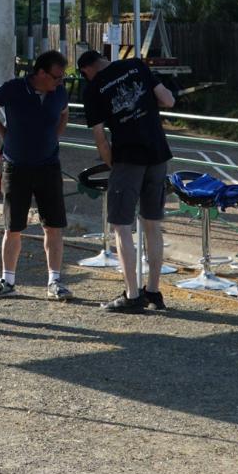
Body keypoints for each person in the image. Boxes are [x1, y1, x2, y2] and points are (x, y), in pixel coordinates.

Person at [77, 49, 176, 313]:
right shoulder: (136, 65)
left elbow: (100, 137)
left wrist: (111, 162)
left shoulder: (94, 88)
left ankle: (132, 295)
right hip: (157, 153)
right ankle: (154, 291)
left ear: (88, 69)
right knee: (153, 225)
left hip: (128, 158)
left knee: (121, 226)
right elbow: (168, 100)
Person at [0, 50, 73, 301]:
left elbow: (64, 113)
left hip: (49, 166)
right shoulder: (14, 88)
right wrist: (4, 132)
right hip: (16, 166)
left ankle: (55, 281)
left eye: (62, 78)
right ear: (40, 72)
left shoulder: (59, 92)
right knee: (13, 227)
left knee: (53, 226)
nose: (59, 83)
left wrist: (55, 136)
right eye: (56, 77)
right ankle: (7, 281)